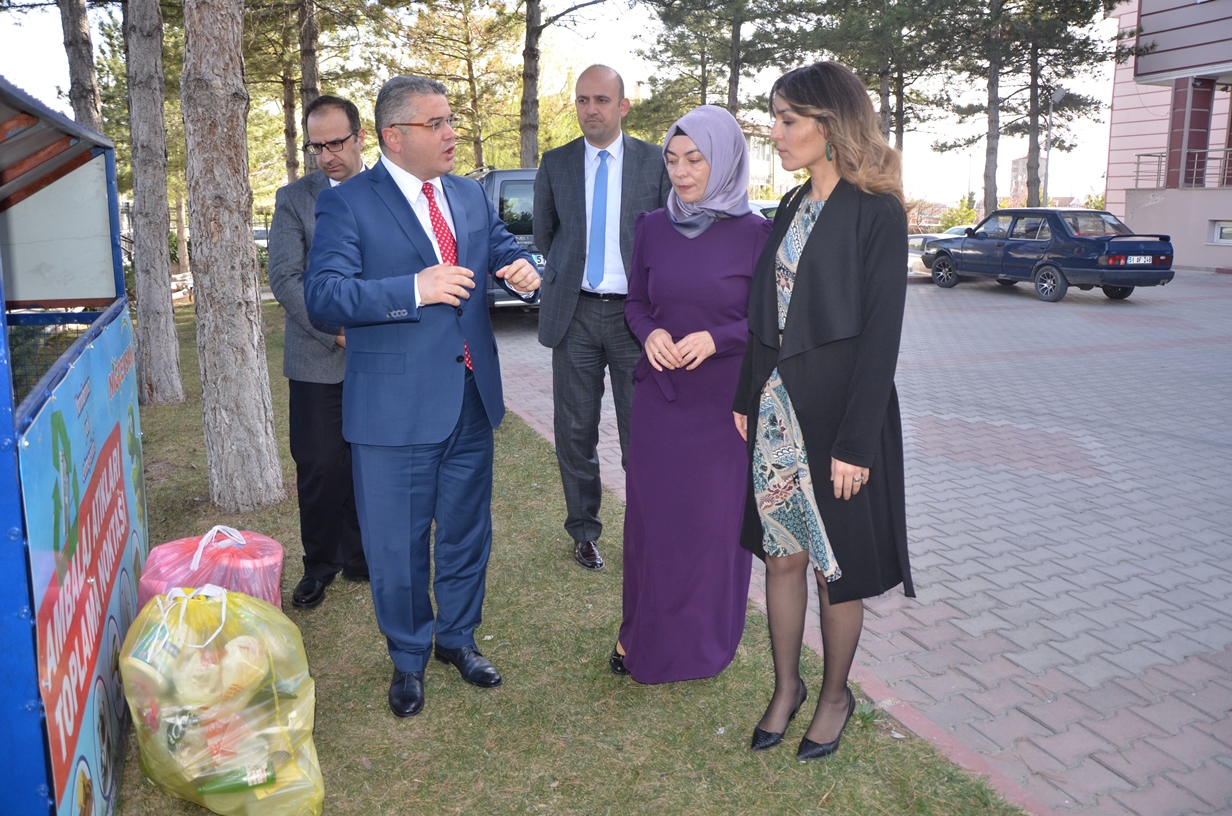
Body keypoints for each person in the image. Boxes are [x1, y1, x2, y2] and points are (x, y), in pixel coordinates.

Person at [304, 75, 539, 718]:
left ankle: (456, 639)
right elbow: (323, 297)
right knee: (397, 544)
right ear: (395, 137)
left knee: (466, 533)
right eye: (437, 123)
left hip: (469, 395)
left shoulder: (466, 193)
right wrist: (412, 287)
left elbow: (497, 244)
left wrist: (521, 266)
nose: (451, 132)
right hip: (393, 410)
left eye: (451, 120)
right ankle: (408, 658)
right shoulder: (349, 204)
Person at [732, 61, 913, 762]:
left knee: (835, 567)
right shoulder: (790, 205)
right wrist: (746, 397)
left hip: (841, 421)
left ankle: (835, 695)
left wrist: (857, 443)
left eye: (787, 120)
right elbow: (763, 319)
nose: (775, 133)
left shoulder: (877, 213)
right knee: (783, 556)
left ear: (829, 125)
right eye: (774, 118)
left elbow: (881, 337)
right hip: (777, 412)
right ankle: (787, 688)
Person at [613, 106, 772, 683]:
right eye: (673, 160)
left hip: (723, 407)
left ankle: (703, 645)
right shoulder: (650, 226)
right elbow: (635, 302)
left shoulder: (756, 233)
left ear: (724, 160)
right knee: (653, 527)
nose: (681, 172)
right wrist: (651, 331)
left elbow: (770, 323)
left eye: (695, 160)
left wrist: (716, 337)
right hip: (662, 400)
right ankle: (641, 637)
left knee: (710, 531)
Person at [533, 64, 672, 572]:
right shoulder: (556, 162)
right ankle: (584, 532)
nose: (590, 109)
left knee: (644, 435)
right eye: (582, 100)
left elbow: (669, 241)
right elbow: (547, 235)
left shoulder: (656, 162)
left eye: (601, 100)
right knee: (575, 431)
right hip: (575, 316)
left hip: (638, 321)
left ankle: (647, 531)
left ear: (622, 106)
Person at [268, 94, 370, 610]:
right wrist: (334, 332)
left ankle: (362, 556)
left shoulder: (391, 191)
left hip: (383, 357)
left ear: (361, 136)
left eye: (337, 142)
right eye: (317, 146)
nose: (328, 154)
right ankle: (320, 564)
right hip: (318, 355)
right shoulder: (293, 199)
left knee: (370, 460)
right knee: (321, 462)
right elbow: (286, 278)